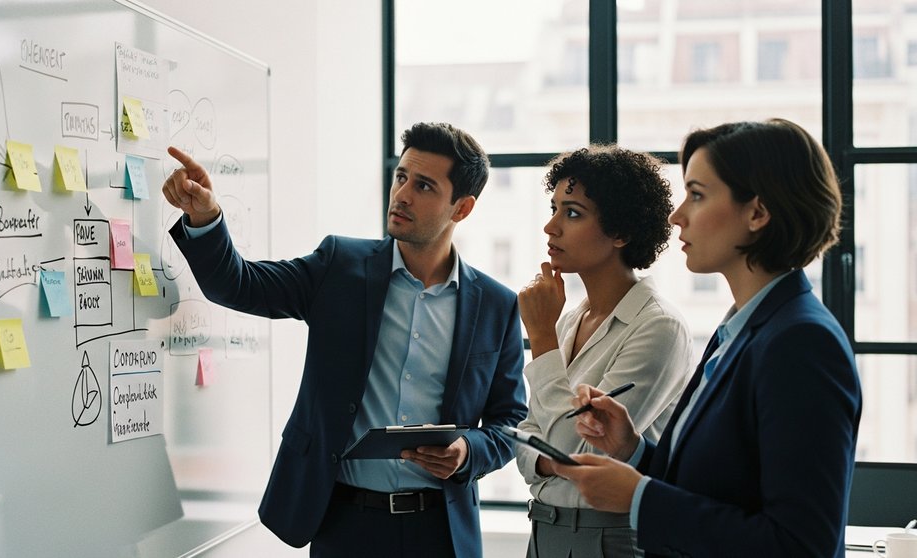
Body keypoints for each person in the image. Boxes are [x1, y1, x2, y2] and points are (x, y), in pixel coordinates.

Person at [161, 122, 527, 558]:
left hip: (440, 531)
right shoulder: (340, 266)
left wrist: (469, 451)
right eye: (401, 177)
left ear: (462, 208)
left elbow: (510, 421)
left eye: (424, 186)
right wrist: (205, 218)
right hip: (345, 523)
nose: (402, 194)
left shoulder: (496, 305)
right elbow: (238, 285)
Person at [557, 119, 862, 557]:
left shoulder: (801, 343)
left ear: (757, 213)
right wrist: (632, 450)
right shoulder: (737, 331)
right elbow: (717, 487)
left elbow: (800, 545)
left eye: (697, 195)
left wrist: (640, 498)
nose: (676, 216)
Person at [515, 145, 692, 558]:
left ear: (620, 233)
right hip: (543, 531)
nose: (550, 227)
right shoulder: (568, 320)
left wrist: (540, 337)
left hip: (611, 537)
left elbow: (581, 453)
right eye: (554, 208)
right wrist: (552, 460)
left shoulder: (658, 327)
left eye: (573, 213)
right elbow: (523, 440)